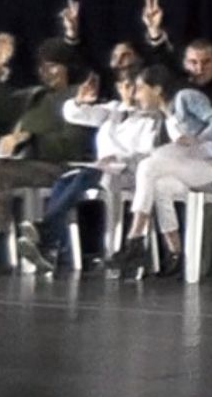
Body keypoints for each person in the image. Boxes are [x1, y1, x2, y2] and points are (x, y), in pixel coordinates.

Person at [0, 38, 95, 275]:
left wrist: (28, 138)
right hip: (27, 164)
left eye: (52, 66)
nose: (45, 71)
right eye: (42, 66)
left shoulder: (76, 97)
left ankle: (1, 250)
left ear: (67, 68)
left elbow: (73, 145)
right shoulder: (35, 96)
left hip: (59, 167)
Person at [17, 66, 164, 272]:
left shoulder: (151, 118)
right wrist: (79, 101)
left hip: (128, 173)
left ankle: (46, 233)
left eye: (135, 87)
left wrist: (119, 157)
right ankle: (49, 245)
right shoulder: (112, 110)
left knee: (86, 176)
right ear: (118, 87)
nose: (130, 92)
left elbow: (148, 153)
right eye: (125, 86)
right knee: (64, 181)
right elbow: (75, 115)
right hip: (102, 170)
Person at [103, 66, 212, 280]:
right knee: (160, 185)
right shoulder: (165, 114)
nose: (136, 95)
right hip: (192, 167)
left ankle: (135, 240)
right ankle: (176, 254)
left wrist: (200, 139)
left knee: (148, 166)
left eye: (140, 88)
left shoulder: (186, 97)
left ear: (157, 89)